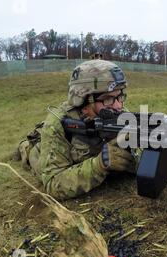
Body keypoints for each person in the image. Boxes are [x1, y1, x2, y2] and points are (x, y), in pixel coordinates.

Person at [16, 60, 137, 200]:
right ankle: (25, 146)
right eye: (108, 99)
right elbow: (53, 184)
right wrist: (98, 166)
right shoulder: (57, 124)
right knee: (31, 151)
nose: (118, 106)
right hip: (42, 151)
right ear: (84, 102)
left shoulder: (119, 113)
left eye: (120, 97)